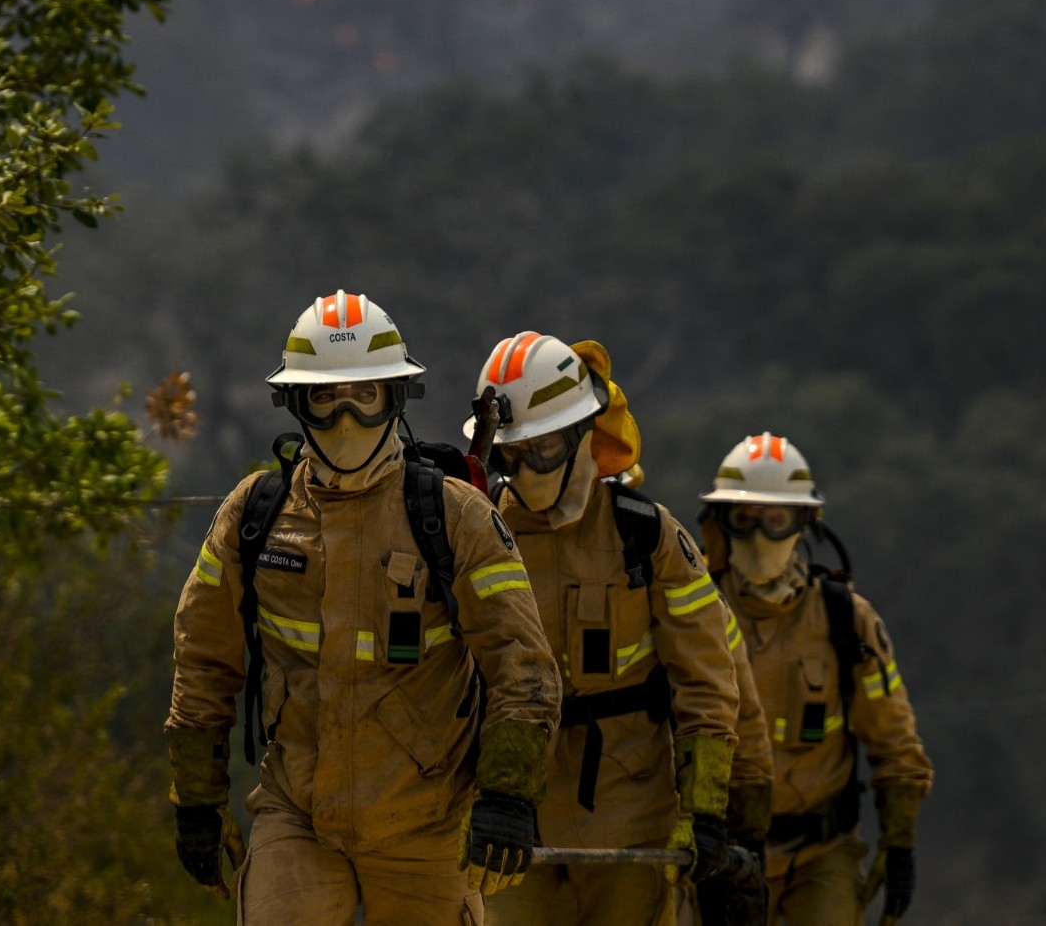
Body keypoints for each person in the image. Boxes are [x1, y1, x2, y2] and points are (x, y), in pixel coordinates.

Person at [167, 291, 561, 923]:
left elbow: (524, 669)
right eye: (324, 397)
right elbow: (203, 657)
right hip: (296, 816)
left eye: (364, 394)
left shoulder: (455, 517)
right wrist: (197, 801)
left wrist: (507, 797)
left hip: (427, 823)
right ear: (296, 402)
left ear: (396, 399)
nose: (345, 416)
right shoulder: (255, 515)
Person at [474, 332, 743, 926]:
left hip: (630, 823)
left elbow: (706, 681)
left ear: (580, 436)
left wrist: (706, 811)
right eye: (512, 449)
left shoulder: (646, 536)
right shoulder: (474, 531)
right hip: (506, 823)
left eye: (542, 446)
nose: (525, 465)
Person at [698, 434, 932, 926]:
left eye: (777, 519)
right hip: (722, 851)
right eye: (745, 519)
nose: (761, 537)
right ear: (719, 522)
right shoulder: (692, 613)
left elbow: (894, 738)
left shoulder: (846, 621)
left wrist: (900, 843)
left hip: (821, 851)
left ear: (806, 524)